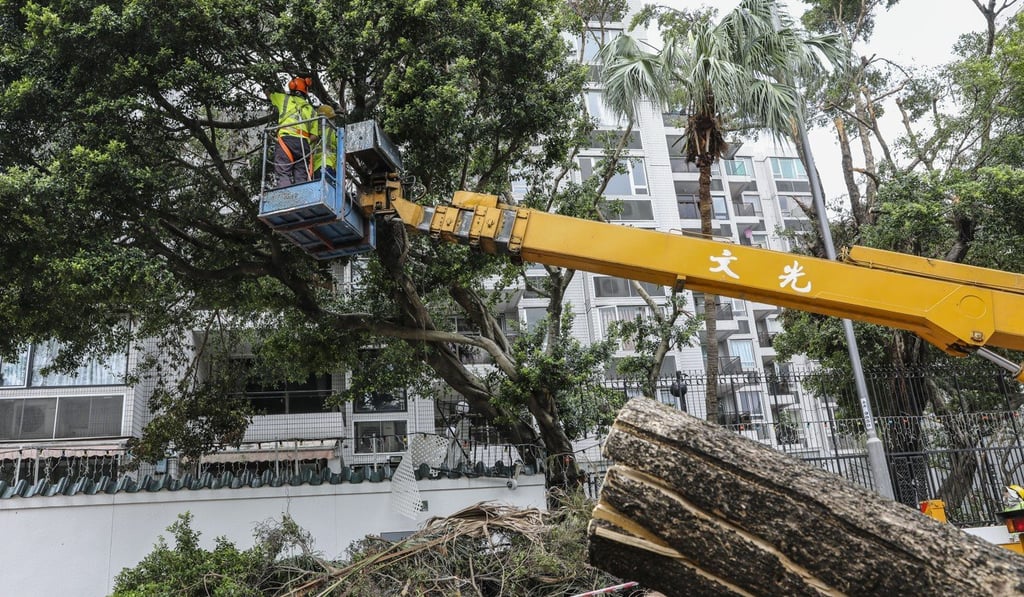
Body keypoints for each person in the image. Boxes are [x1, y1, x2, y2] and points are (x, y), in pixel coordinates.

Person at [268, 76, 318, 187]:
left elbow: (268, 93)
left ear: (291, 89)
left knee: (283, 171)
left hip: (286, 140)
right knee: (301, 174)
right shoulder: (312, 110)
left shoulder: (283, 99)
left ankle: (286, 197)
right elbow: (315, 136)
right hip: (304, 144)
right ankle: (301, 196)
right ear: (305, 92)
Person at [312, 104, 338, 184]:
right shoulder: (333, 132)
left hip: (315, 168)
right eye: (332, 119)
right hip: (328, 165)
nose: (333, 121)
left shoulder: (314, 135)